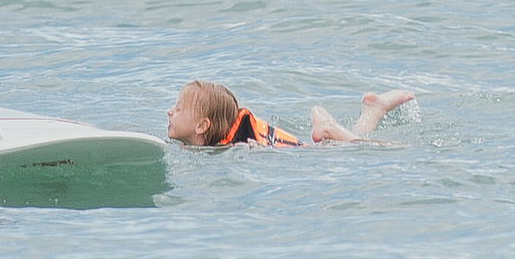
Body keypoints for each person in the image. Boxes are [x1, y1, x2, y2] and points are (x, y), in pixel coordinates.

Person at [163, 78, 417, 147]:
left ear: (201, 126)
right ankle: (373, 110)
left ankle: (330, 127)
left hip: (308, 160)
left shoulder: (234, 147)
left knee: (356, 145)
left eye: (179, 109)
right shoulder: (213, 141)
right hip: (309, 152)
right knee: (346, 141)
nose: (169, 112)